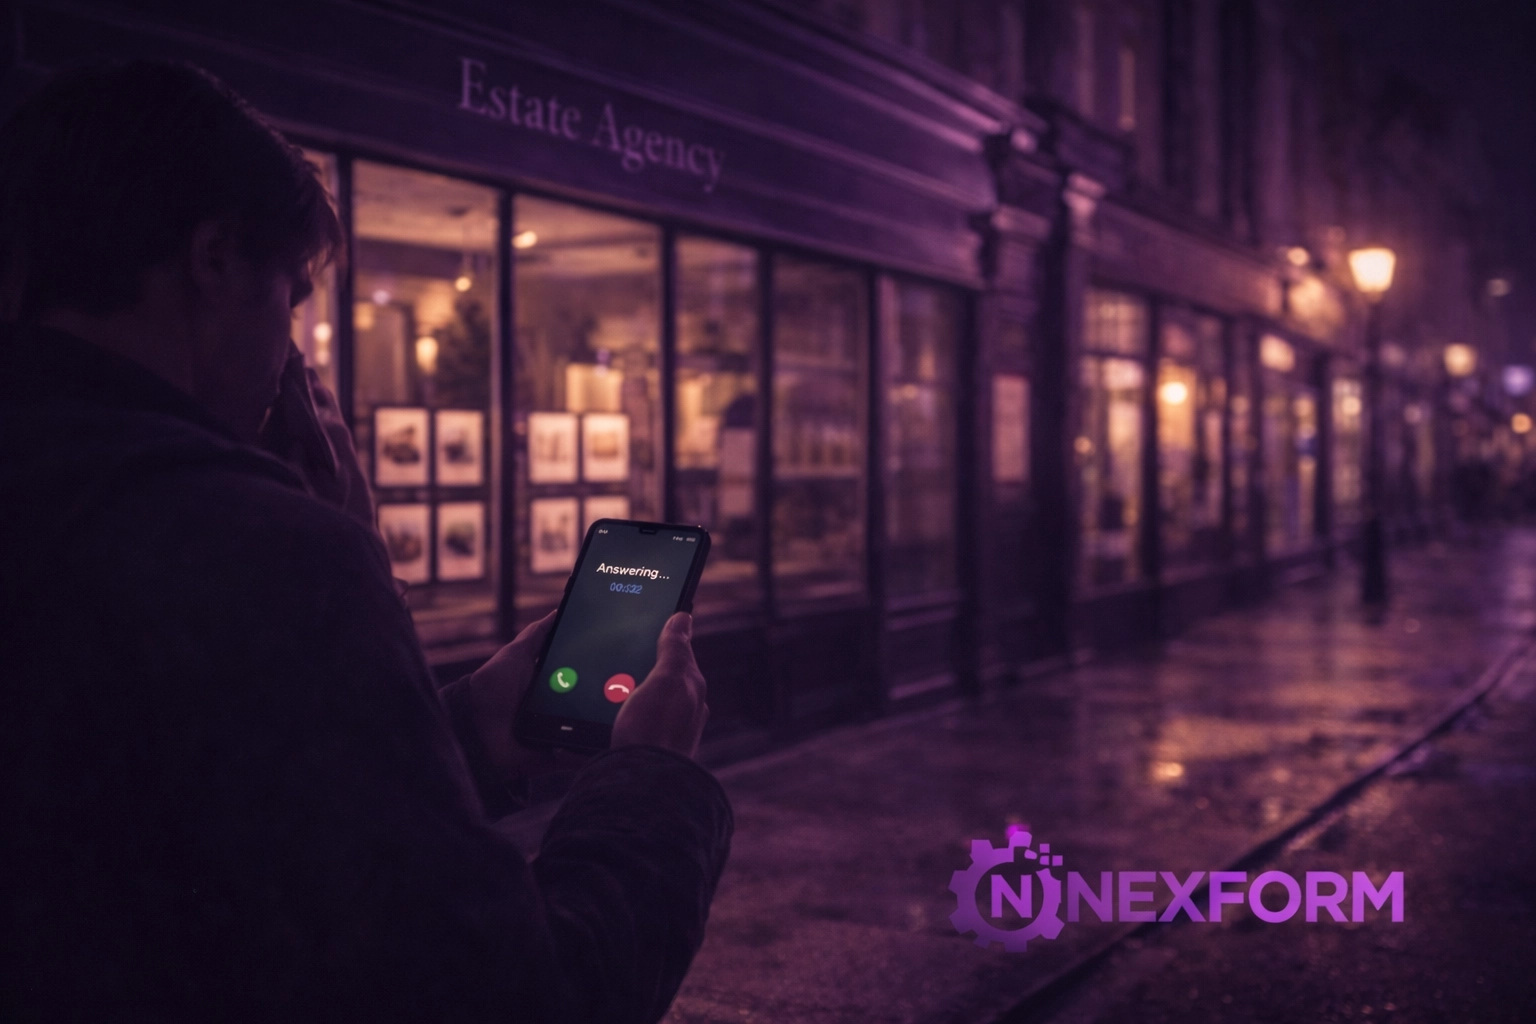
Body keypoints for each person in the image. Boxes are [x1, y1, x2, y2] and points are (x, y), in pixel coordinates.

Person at [0, 61, 732, 1021]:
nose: (293, 355)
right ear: (213, 259)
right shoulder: (264, 550)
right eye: (292, 298)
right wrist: (656, 777)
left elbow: (223, 829)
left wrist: (466, 726)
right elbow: (510, 996)